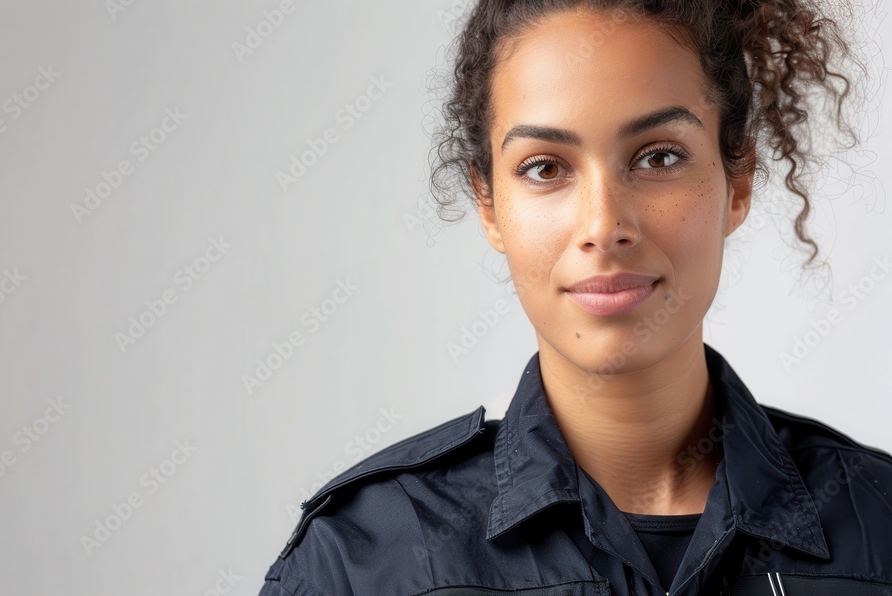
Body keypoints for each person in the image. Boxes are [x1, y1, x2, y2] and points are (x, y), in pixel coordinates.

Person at [259, 1, 892, 594]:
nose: (602, 225)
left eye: (659, 157)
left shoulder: (879, 526)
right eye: (545, 167)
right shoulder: (360, 559)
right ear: (489, 205)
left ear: (739, 181)